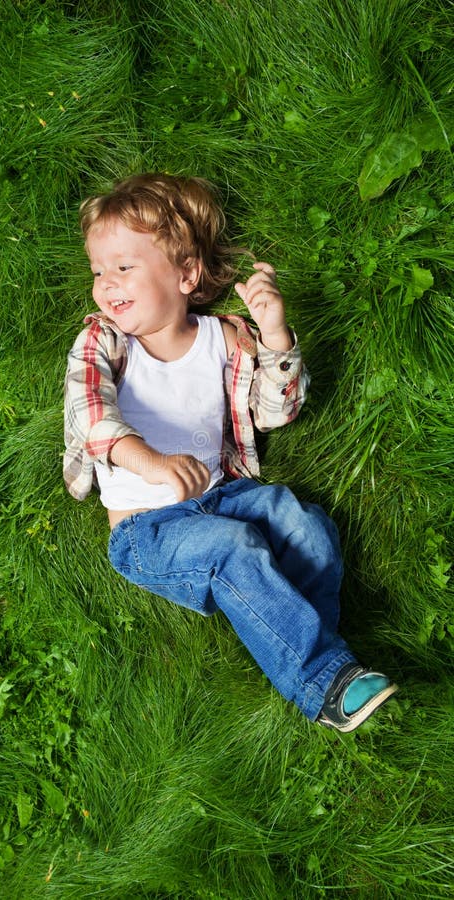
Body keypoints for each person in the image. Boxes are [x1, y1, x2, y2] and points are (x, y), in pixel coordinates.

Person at [63, 172, 398, 733]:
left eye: (124, 267)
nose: (106, 284)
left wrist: (275, 338)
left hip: (225, 494)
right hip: (148, 530)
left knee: (303, 524)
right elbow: (90, 416)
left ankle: (322, 652)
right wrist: (153, 462)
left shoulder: (223, 337)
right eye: (99, 270)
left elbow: (276, 413)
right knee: (233, 548)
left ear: (186, 274)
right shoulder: (103, 342)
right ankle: (324, 684)